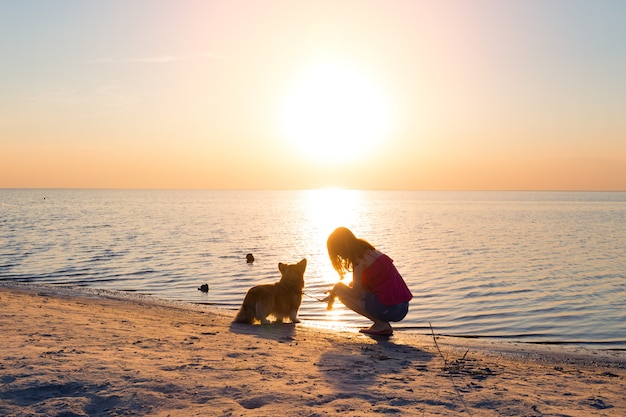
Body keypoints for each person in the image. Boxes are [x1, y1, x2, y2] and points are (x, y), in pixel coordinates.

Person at [324, 227, 413, 336]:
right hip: (402, 307)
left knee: (341, 292)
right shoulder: (370, 252)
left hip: (391, 309)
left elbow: (355, 293)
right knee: (345, 289)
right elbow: (366, 286)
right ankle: (381, 325)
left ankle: (381, 324)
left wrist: (337, 289)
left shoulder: (358, 259)